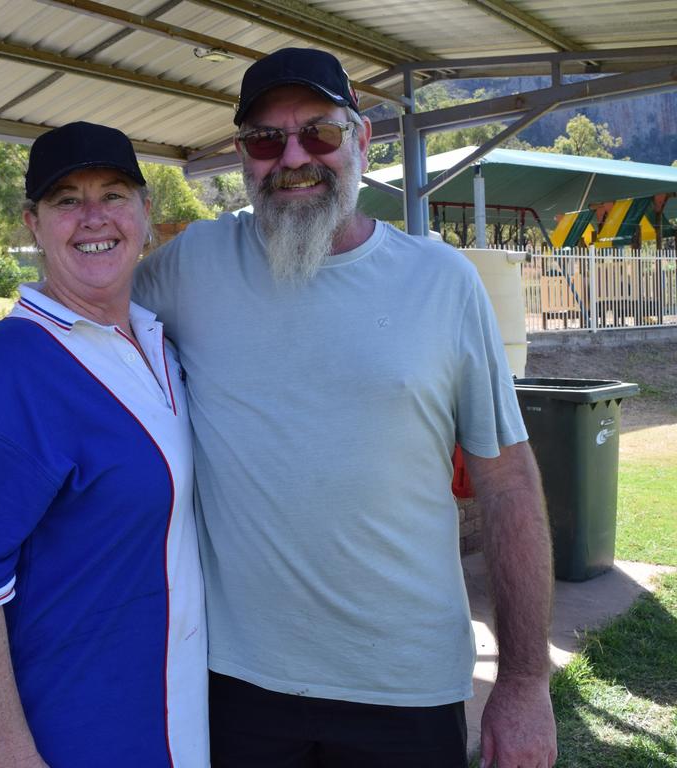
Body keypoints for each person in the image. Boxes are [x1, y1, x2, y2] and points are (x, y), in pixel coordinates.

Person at [134, 48, 556, 767]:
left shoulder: (443, 283)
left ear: (362, 141)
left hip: (406, 687)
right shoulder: (189, 267)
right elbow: (80, 324)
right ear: (244, 156)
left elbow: (508, 481)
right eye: (267, 140)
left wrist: (523, 680)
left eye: (319, 134)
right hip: (236, 682)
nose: (293, 157)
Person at [0, 122, 208, 767]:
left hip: (154, 701)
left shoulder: (157, 342)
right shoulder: (0, 374)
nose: (93, 217)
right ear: (33, 223)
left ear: (146, 212)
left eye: (113, 194)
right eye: (66, 200)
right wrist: (12, 755)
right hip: (61, 726)